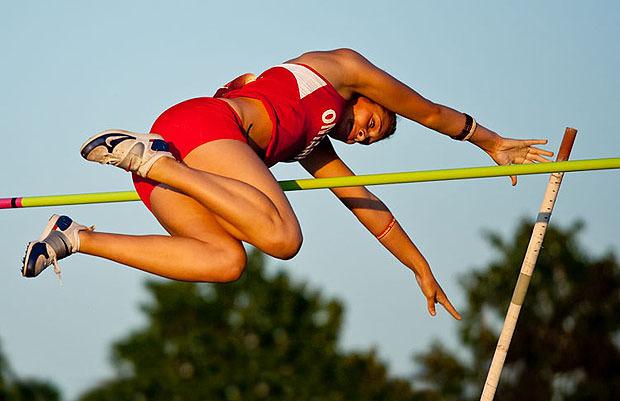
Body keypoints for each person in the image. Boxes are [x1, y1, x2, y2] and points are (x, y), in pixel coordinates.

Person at [21, 49, 553, 319]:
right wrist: (488, 141)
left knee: (225, 261)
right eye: (377, 121)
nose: (367, 134)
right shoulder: (342, 69)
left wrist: (420, 268)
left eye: (372, 141)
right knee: (284, 238)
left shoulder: (313, 147)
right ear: (372, 98)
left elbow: (368, 206)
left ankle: (74, 237)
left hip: (185, 155)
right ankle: (156, 164)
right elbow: (429, 111)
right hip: (198, 131)